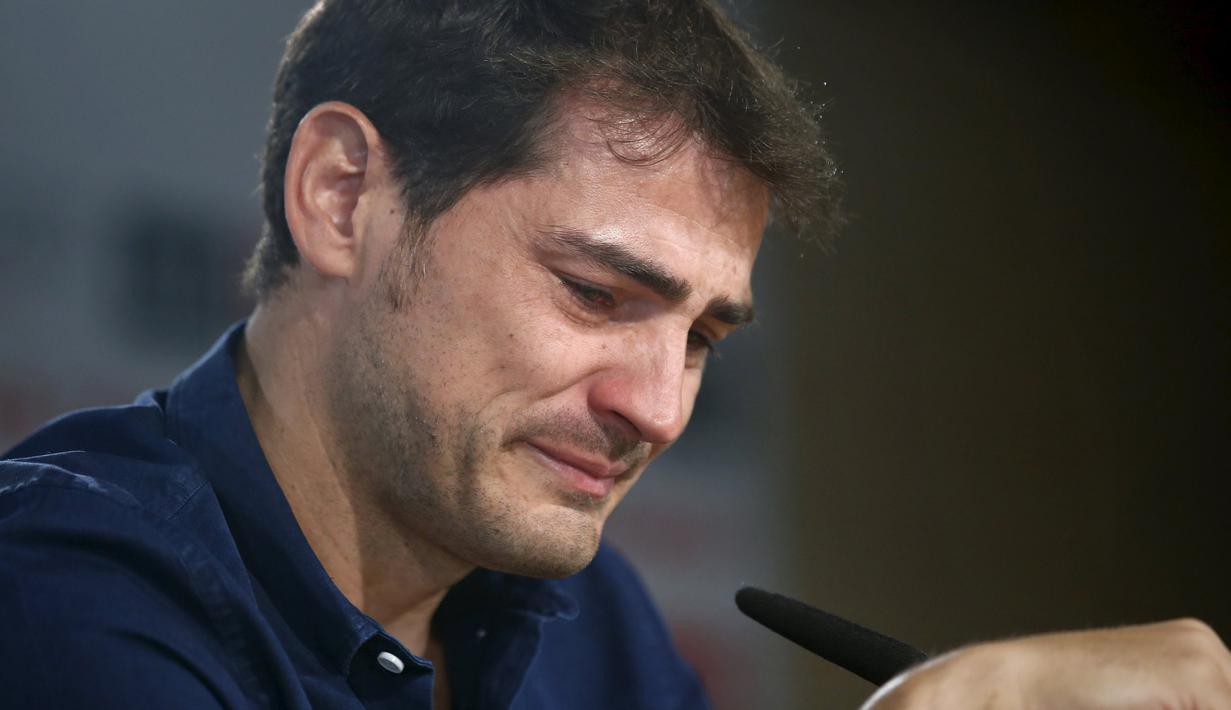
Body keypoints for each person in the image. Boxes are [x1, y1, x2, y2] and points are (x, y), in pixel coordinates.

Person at [1, 1, 1228, 709]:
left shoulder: (590, 621)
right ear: (341, 197)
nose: (657, 407)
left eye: (700, 335)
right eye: (596, 292)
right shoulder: (57, 595)